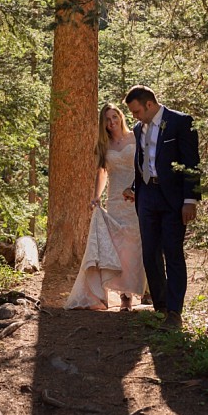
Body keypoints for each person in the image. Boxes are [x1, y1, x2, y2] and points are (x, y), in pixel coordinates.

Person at [123, 85, 200, 330]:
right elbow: (144, 162)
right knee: (150, 254)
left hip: (173, 199)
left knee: (173, 252)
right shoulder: (138, 129)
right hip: (146, 197)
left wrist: (190, 200)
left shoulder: (180, 122)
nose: (134, 117)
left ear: (149, 104)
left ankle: (175, 312)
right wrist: (135, 188)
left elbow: (192, 163)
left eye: (136, 111)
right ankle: (161, 308)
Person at [64, 103, 147, 311]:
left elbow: (145, 164)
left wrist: (139, 189)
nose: (112, 123)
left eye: (114, 117)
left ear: (121, 117)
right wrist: (96, 196)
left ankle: (139, 290)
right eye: (108, 120)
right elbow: (102, 172)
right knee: (119, 248)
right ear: (104, 125)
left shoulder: (135, 137)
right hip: (115, 200)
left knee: (136, 247)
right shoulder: (104, 145)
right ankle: (123, 295)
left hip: (137, 197)